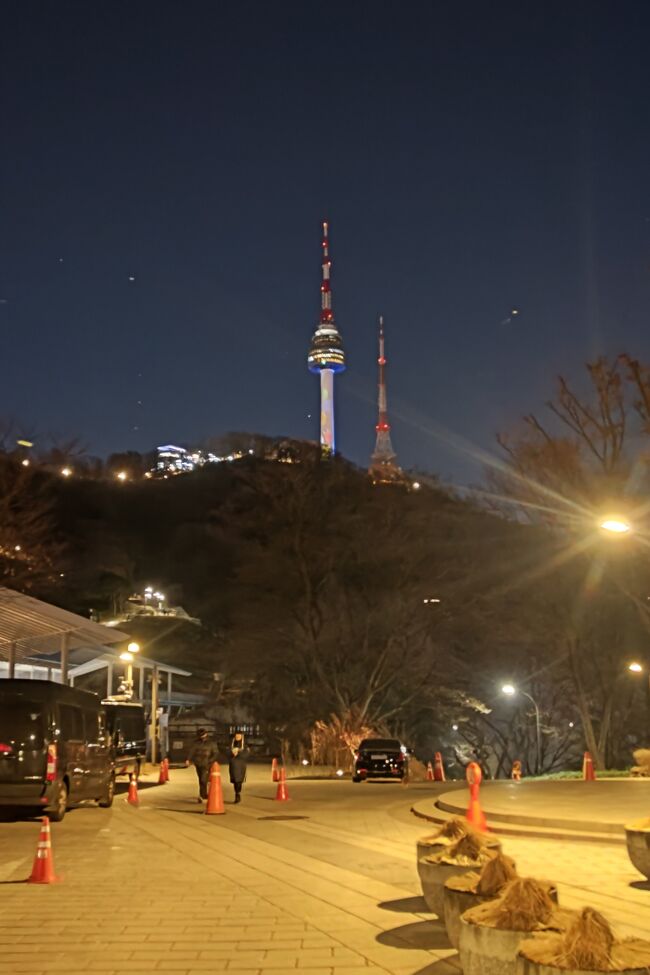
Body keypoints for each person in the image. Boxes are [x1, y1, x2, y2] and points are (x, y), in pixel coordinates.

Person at [186, 728, 219, 803]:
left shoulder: (211, 743)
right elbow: (192, 751)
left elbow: (216, 753)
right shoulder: (196, 743)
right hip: (198, 763)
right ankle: (203, 794)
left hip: (206, 764)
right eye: (200, 735)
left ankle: (202, 795)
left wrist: (210, 761)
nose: (201, 736)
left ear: (206, 734)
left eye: (202, 735)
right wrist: (188, 759)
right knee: (201, 779)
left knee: (203, 780)